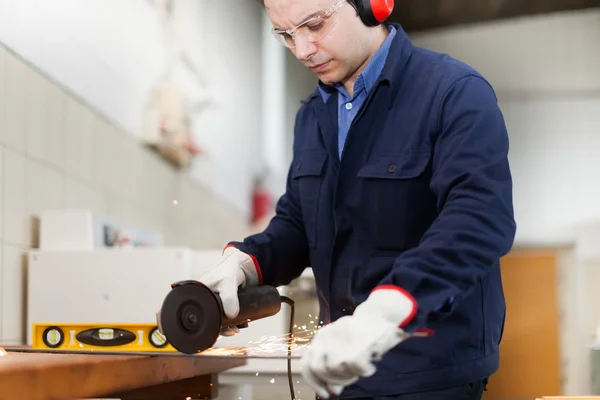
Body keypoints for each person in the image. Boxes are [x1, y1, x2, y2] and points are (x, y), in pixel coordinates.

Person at [199, 0, 517, 398]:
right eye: (285, 35)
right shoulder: (313, 115)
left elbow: (479, 220)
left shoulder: (453, 93)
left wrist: (385, 313)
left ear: (372, 5)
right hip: (337, 370)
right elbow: (299, 223)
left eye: (314, 25)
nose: (303, 50)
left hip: (430, 375)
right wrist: (245, 263)